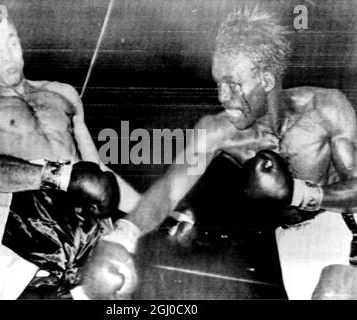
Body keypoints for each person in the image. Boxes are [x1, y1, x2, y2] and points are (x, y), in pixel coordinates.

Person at [79, 7, 357, 300]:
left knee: (333, 294)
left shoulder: (325, 107)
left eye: (233, 85)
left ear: (266, 80)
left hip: (345, 217)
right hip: (295, 237)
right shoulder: (216, 131)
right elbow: (168, 190)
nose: (223, 96)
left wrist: (298, 193)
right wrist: (123, 236)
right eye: (219, 84)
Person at [0, 5, 141, 299]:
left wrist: (156, 210)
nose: (8, 54)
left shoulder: (63, 93)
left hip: (89, 220)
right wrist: (61, 176)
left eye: (12, 41)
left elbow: (98, 170)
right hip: (27, 222)